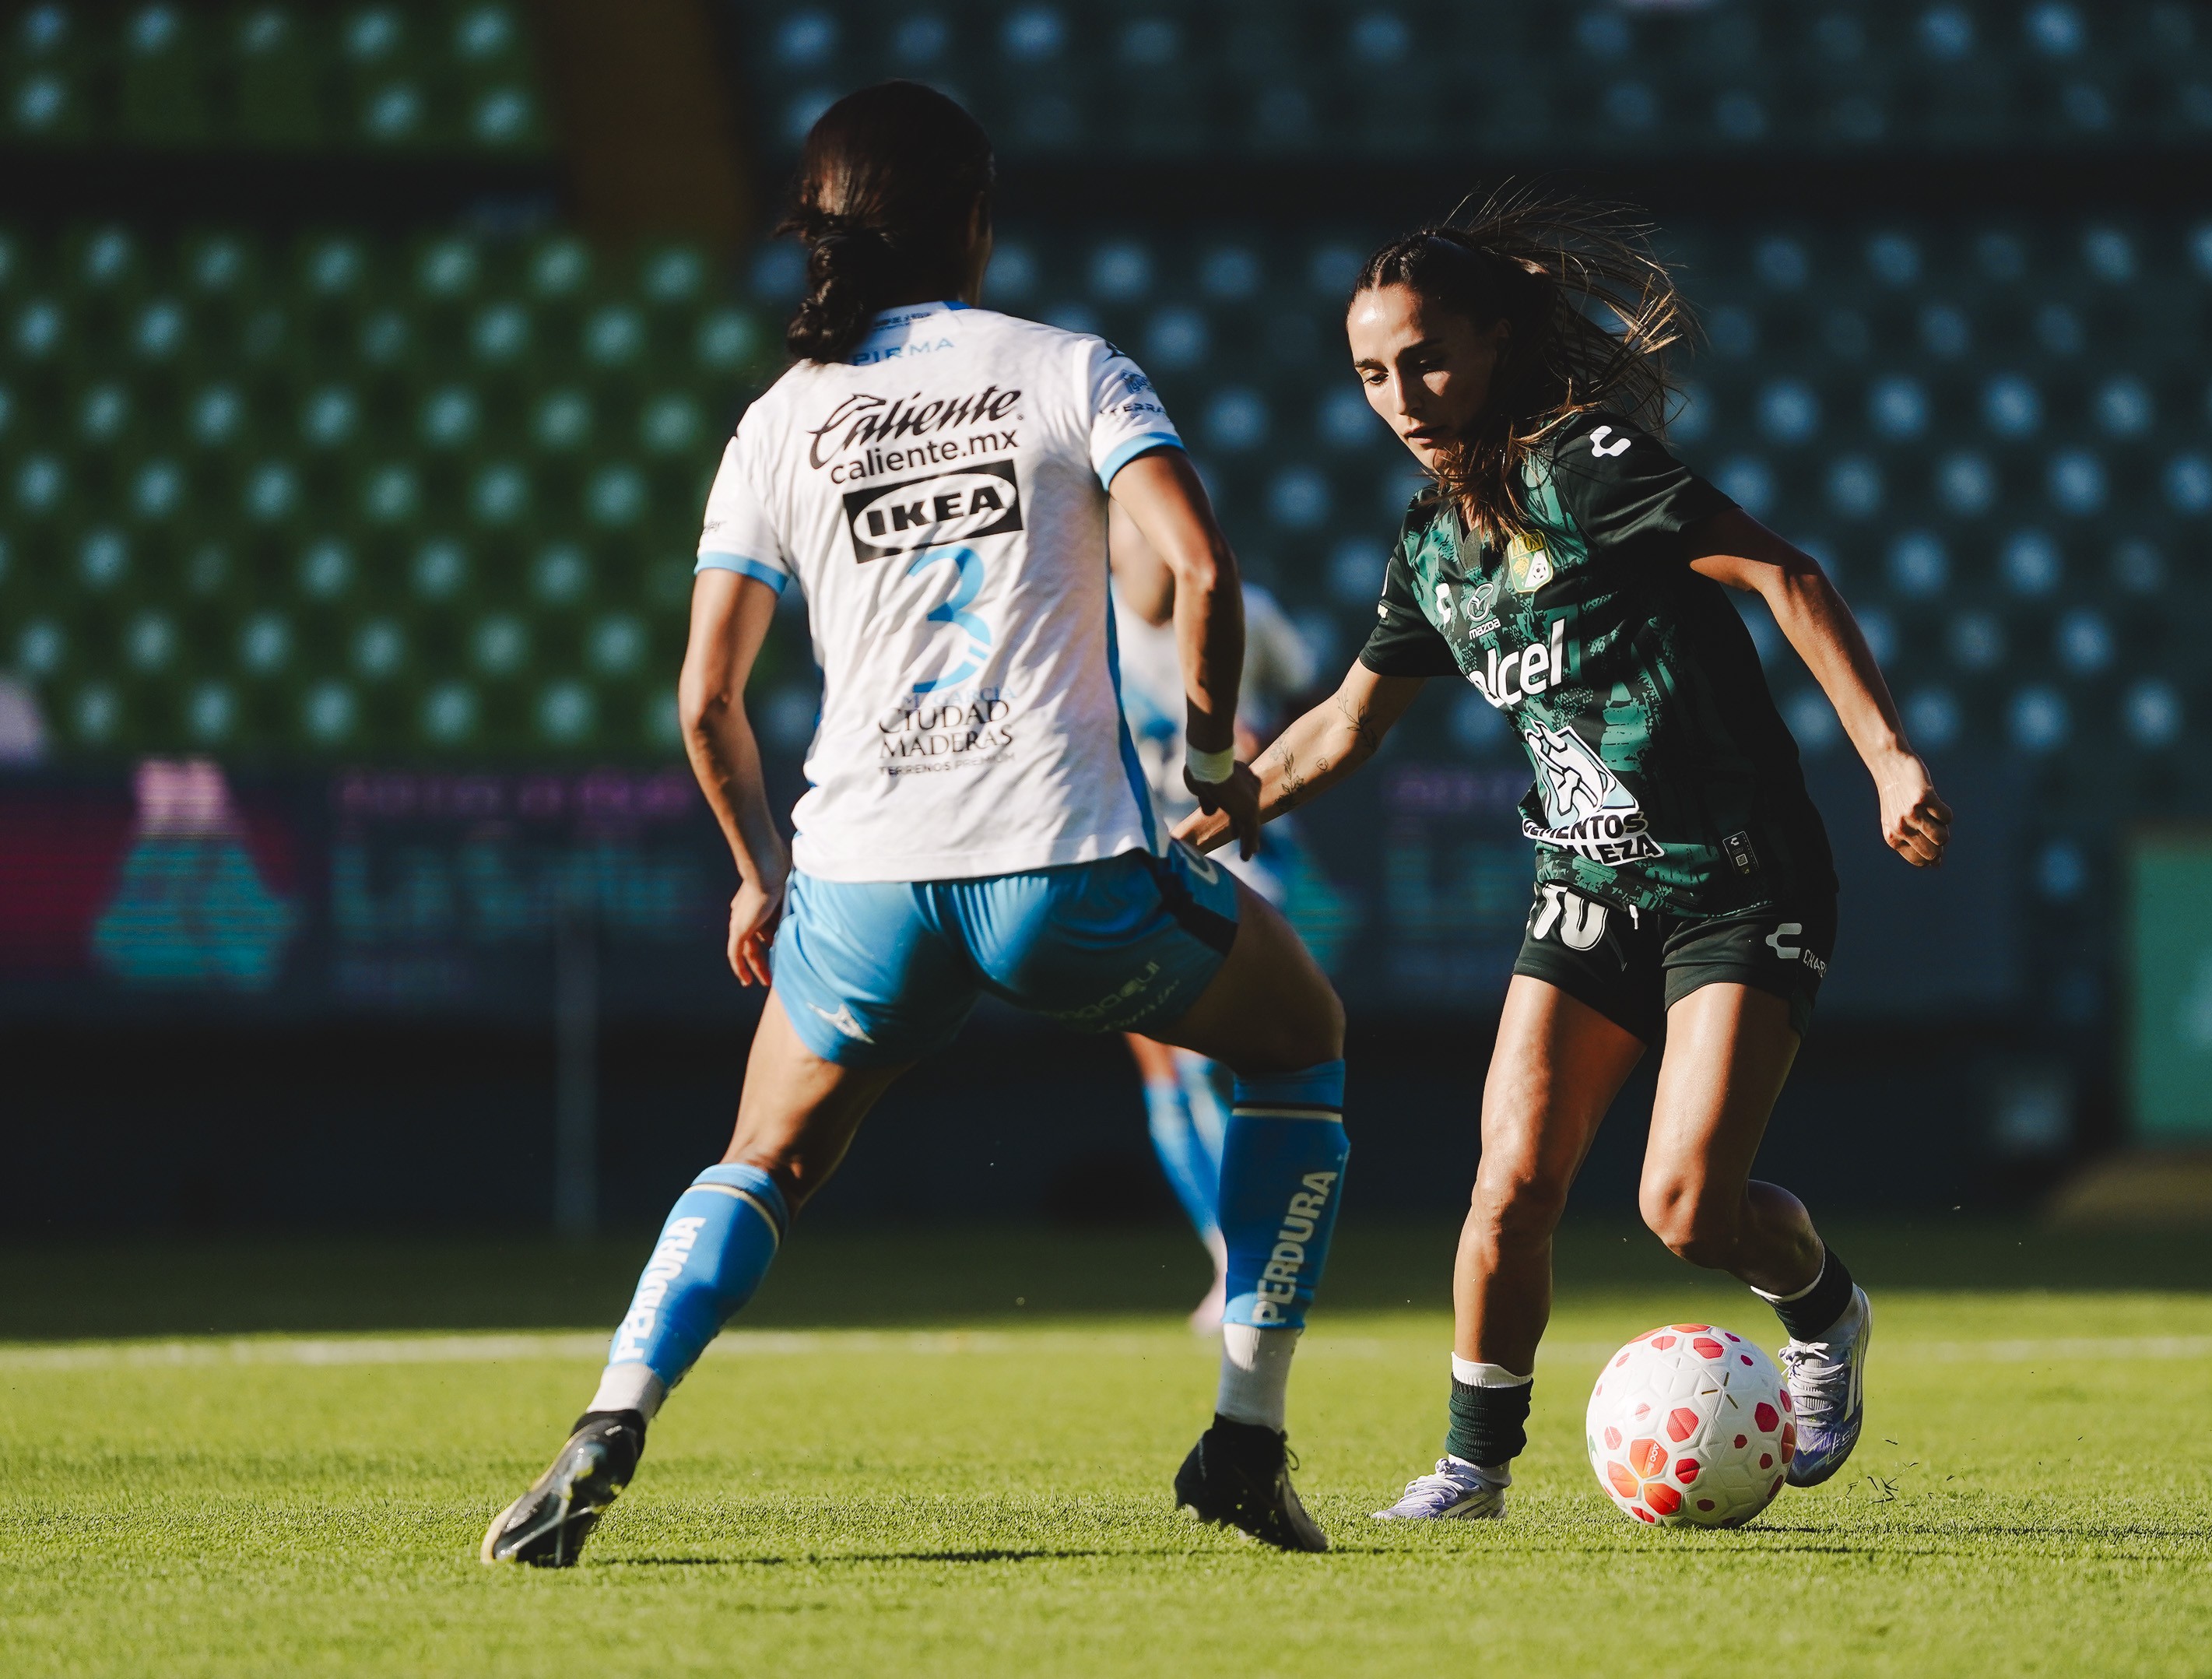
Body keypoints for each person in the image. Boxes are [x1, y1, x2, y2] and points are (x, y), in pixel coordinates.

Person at [480, 82, 1353, 1565]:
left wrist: (761, 876)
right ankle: (1245, 1437)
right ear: (976, 223)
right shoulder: (1072, 367)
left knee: (762, 1159)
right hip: (1060, 869)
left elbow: (707, 700)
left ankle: (611, 1419)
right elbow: (1201, 573)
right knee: (1300, 1037)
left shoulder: (780, 417)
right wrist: (1210, 766)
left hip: (863, 882)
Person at [1174, 192, 1952, 1521]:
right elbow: (1353, 718)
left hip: (1735, 876)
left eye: (1425, 356)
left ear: (1490, 340)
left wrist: (1885, 755)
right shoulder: (1431, 546)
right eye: (1371, 372)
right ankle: (1472, 1469)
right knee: (1510, 1183)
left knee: (1686, 1212)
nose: (1401, 392)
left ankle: (1824, 1310)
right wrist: (1244, 797)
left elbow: (1788, 575)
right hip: (1585, 891)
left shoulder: (1588, 462)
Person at [1109, 508, 1321, 1331]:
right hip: (1141, 866)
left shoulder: (1243, 607)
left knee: (1218, 1060)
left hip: (1245, 860)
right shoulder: (1089, 630)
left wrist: (1258, 744)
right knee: (1163, 1068)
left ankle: (1265, 1248)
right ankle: (1229, 1257)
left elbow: (1300, 689)